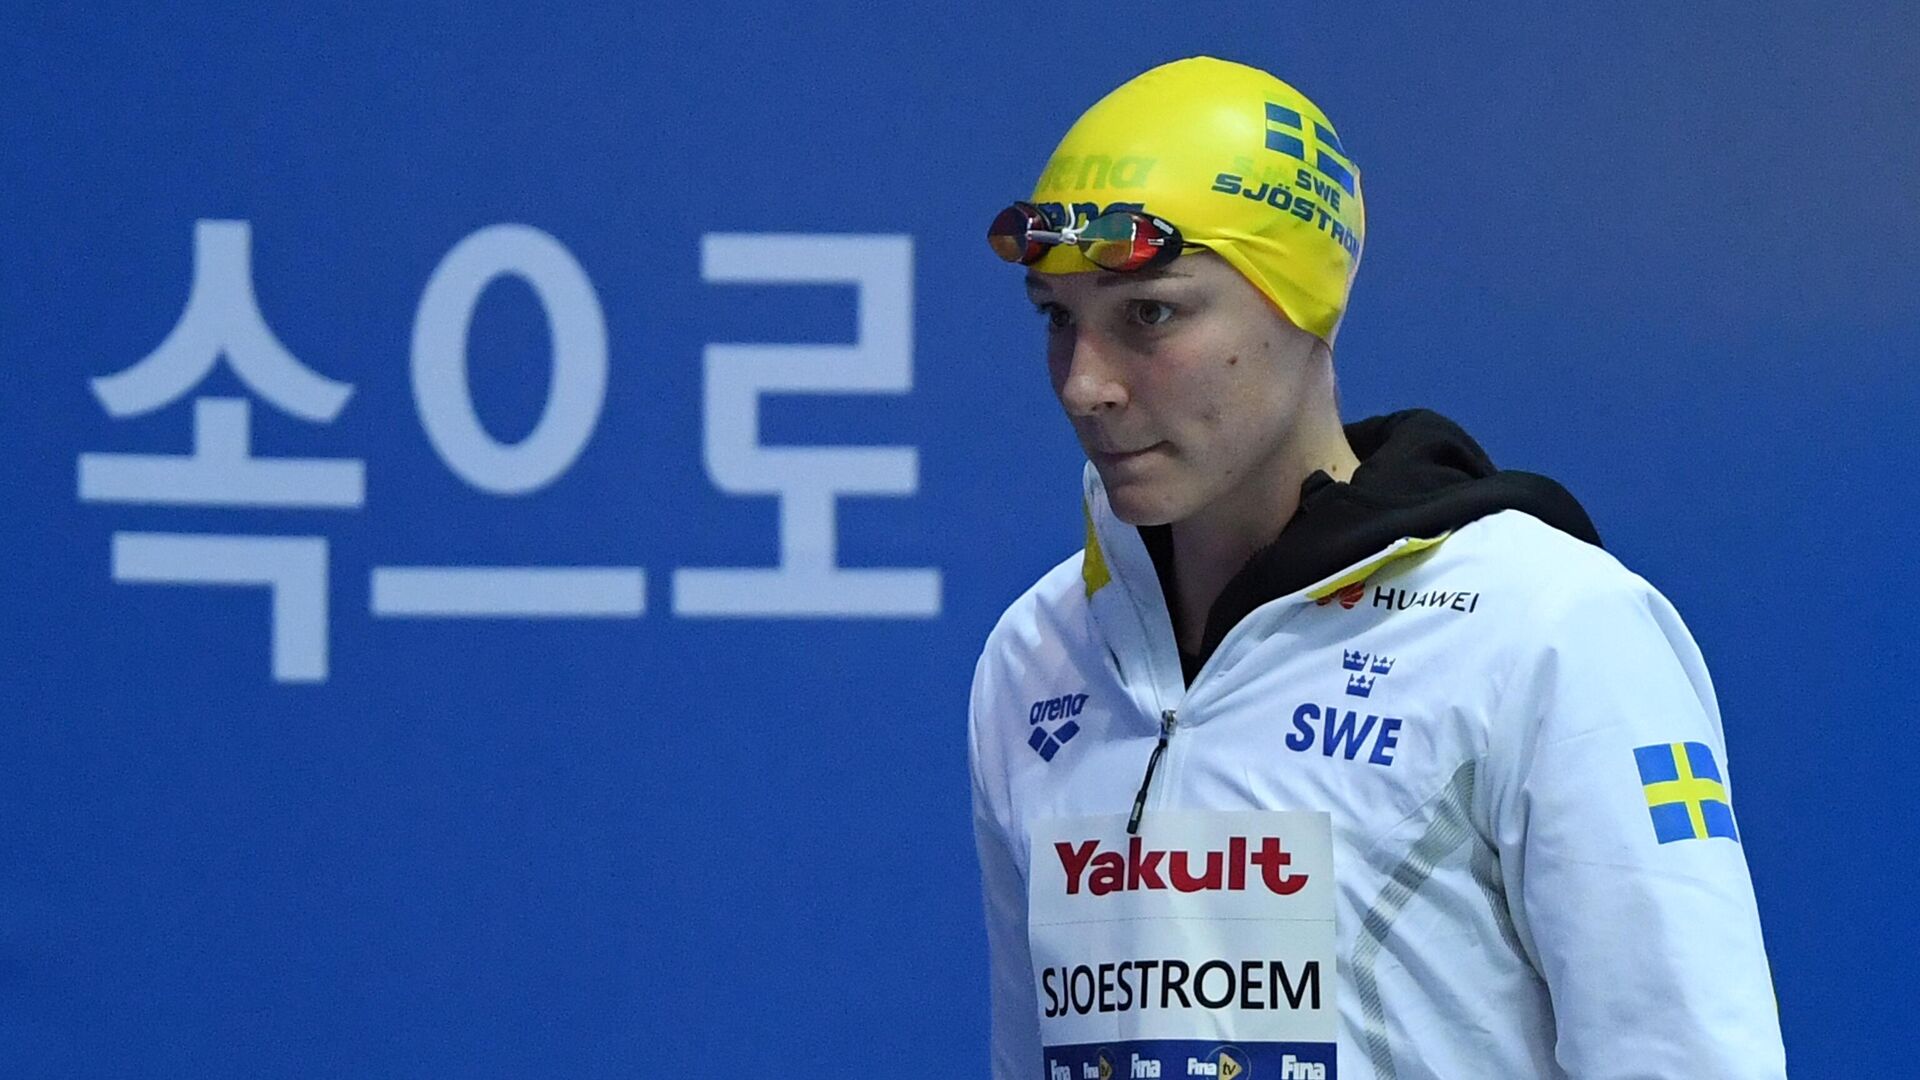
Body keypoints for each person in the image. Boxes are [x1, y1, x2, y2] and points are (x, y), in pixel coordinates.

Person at [968, 56, 1786, 1079]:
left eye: (1151, 315)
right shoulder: (1037, 659)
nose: (1086, 385)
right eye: (1057, 317)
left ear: (1301, 305)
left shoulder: (1548, 628)